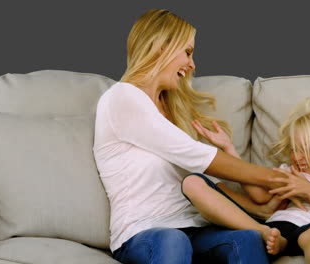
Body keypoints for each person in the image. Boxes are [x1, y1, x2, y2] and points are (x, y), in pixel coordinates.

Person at [93, 9, 295, 264]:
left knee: (246, 239)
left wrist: (257, 209)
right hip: (143, 232)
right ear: (161, 45)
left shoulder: (171, 114)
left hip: (195, 228)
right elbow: (202, 158)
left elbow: (204, 183)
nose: (192, 65)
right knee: (172, 240)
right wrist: (278, 179)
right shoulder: (123, 98)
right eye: (187, 52)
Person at [185, 97, 310, 264]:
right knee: (193, 182)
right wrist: (228, 149)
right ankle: (278, 244)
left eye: (305, 149)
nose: (297, 156)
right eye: (293, 150)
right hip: (272, 227)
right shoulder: (290, 173)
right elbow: (259, 197)